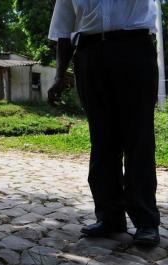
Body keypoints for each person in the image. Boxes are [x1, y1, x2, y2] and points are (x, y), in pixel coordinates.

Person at [48, 0, 162, 246]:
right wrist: (59, 75)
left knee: (139, 138)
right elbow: (64, 31)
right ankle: (109, 217)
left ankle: (145, 222)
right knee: (101, 139)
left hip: (134, 49)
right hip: (90, 55)